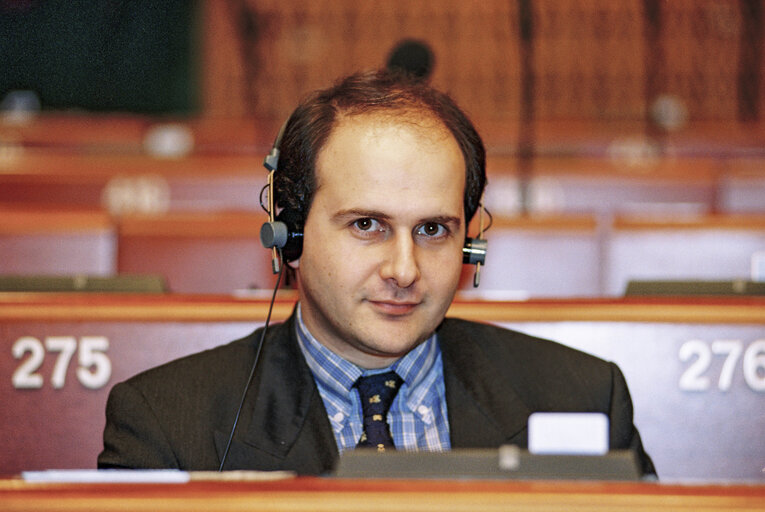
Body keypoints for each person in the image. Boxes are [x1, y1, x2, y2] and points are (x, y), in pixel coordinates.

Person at [98, 69, 655, 477]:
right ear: (289, 233)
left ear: (471, 242)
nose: (404, 270)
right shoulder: (166, 426)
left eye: (433, 230)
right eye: (367, 225)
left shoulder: (581, 395)